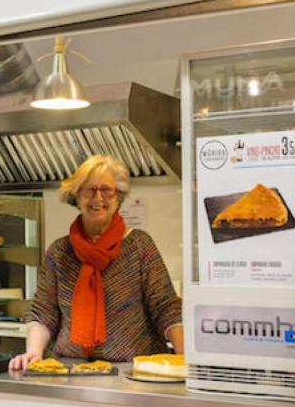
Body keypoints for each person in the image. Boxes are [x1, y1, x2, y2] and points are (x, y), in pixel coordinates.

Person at [9, 155, 183, 370]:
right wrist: (33, 352)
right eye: (89, 190)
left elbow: (165, 305)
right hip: (70, 368)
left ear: (118, 196)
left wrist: (184, 355)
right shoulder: (59, 252)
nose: (98, 198)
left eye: (106, 190)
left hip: (132, 370)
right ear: (77, 197)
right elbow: (44, 311)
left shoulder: (139, 245)